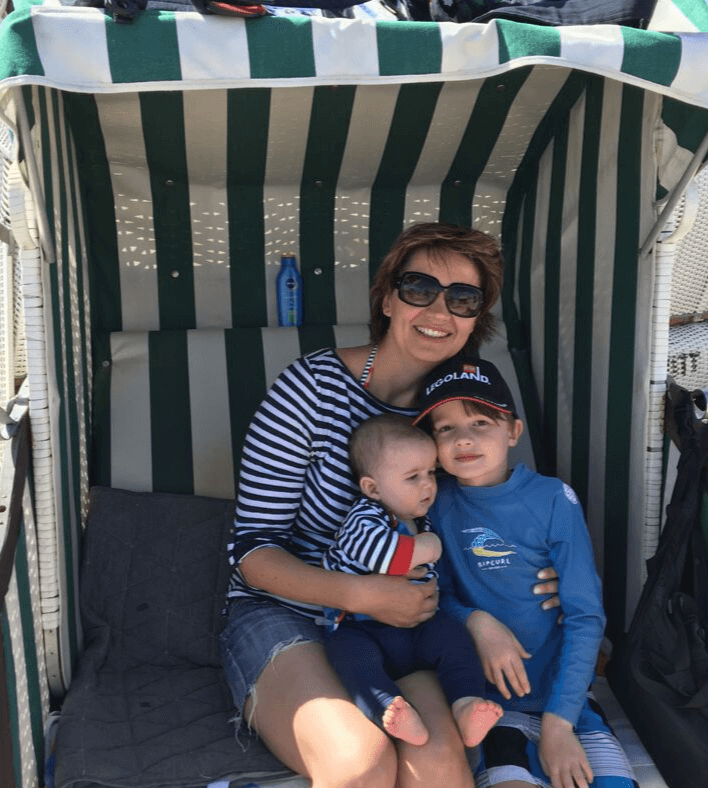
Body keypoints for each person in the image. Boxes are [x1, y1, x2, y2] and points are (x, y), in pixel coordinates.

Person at [221, 222, 561, 788]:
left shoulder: (456, 415)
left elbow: (489, 516)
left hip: (405, 622)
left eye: (463, 299)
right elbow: (251, 551)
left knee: (438, 769)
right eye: (419, 288)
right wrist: (363, 593)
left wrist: (536, 568)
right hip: (282, 609)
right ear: (386, 297)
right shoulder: (310, 390)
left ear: (478, 320)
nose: (439, 310)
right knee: (362, 765)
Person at [416, 356, 638, 788]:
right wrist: (476, 622)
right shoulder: (434, 503)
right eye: (445, 429)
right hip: (489, 707)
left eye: (481, 422)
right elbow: (428, 596)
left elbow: (585, 614)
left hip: (568, 703)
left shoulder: (554, 498)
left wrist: (558, 726)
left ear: (513, 431)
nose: (463, 438)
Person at [322, 414, 503, 747]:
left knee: (453, 639)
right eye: (412, 477)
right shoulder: (364, 517)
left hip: (417, 629)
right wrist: (427, 547)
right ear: (372, 487)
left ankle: (466, 705)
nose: (427, 485)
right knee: (350, 658)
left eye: (431, 473)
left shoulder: (421, 519)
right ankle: (388, 708)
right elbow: (380, 556)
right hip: (363, 630)